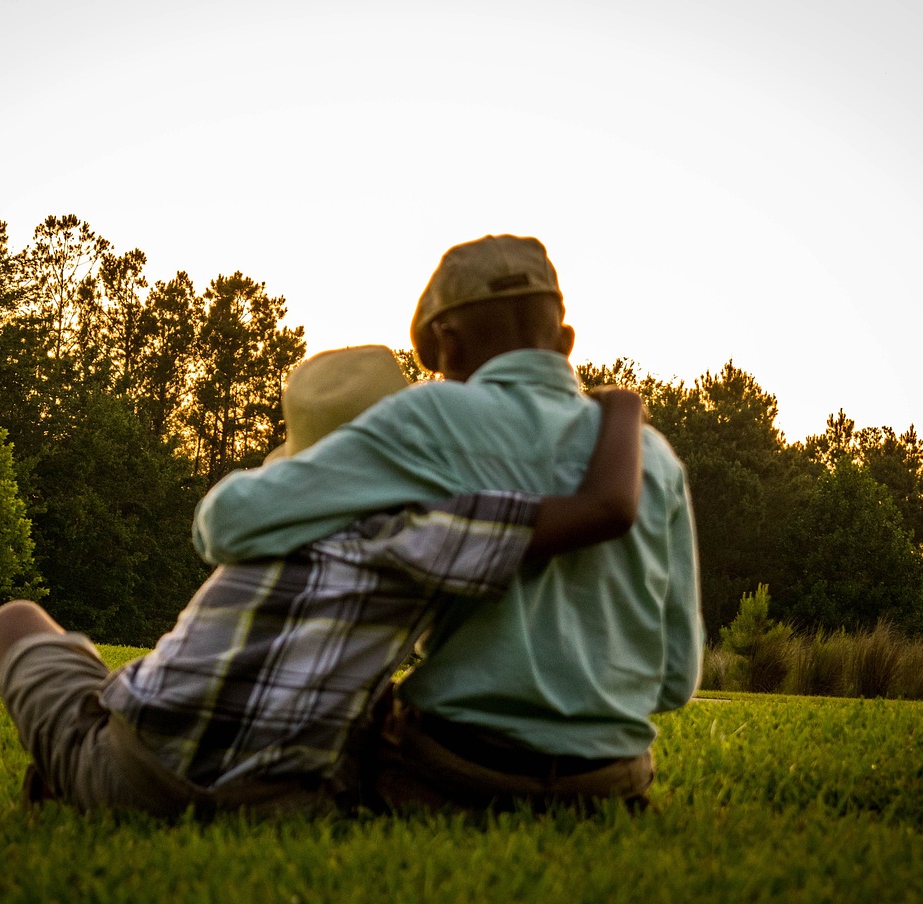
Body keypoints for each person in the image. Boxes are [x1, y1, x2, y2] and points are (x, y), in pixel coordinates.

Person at [0, 344, 646, 819]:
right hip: (279, 803)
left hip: (130, 769)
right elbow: (605, 508)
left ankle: (72, 762)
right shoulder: (427, 529)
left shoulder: (268, 522)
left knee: (12, 620)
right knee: (369, 704)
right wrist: (620, 407)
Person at [194, 235, 703, 813]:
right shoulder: (653, 458)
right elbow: (674, 679)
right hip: (611, 785)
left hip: (453, 775)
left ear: (447, 340)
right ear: (564, 342)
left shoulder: (431, 417)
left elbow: (225, 523)